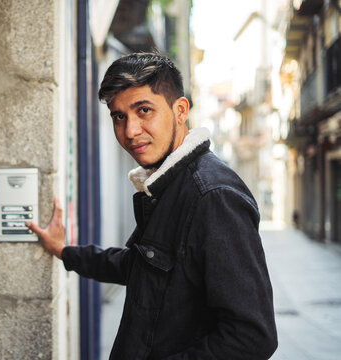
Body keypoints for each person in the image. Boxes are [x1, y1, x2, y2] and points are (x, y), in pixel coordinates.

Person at [26, 52, 278, 359]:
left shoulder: (213, 196)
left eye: (144, 110)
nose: (130, 131)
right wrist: (65, 251)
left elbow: (252, 336)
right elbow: (138, 268)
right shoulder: (168, 185)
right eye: (119, 116)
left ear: (180, 110)